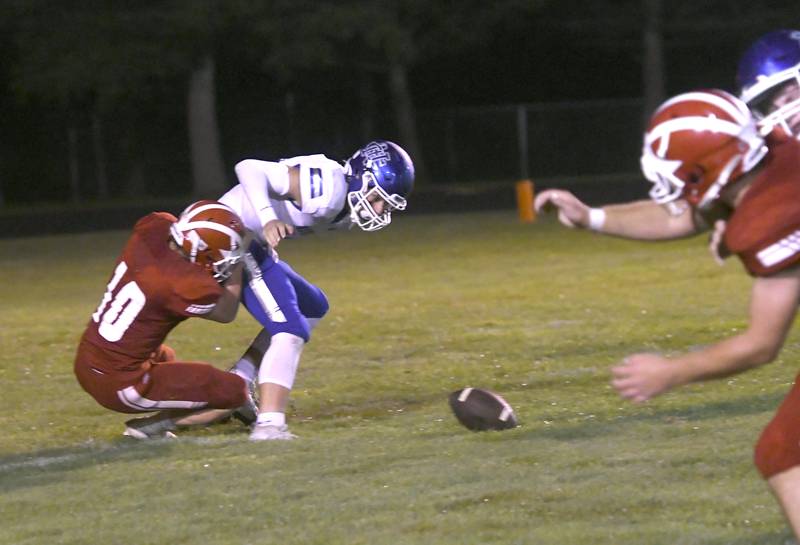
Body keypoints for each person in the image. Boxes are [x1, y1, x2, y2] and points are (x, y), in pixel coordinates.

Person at [535, 83, 800, 539]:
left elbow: (760, 346)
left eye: (682, 176)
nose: (675, 188)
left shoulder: (770, 217)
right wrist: (591, 217)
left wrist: (672, 372)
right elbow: (680, 215)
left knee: (784, 454)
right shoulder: (774, 154)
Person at [219, 140, 415, 441]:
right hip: (229, 237)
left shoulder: (344, 207)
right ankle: (269, 425)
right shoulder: (327, 187)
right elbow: (248, 167)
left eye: (387, 204)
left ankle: (240, 379)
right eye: (378, 198)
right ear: (363, 177)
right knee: (290, 328)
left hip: (250, 241)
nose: (379, 208)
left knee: (312, 305)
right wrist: (267, 217)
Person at [74, 200, 256, 439]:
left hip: (90, 357)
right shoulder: (181, 284)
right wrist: (237, 266)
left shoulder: (152, 230)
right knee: (235, 391)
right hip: (122, 384)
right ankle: (150, 427)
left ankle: (181, 408)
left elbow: (168, 224)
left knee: (166, 357)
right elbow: (225, 312)